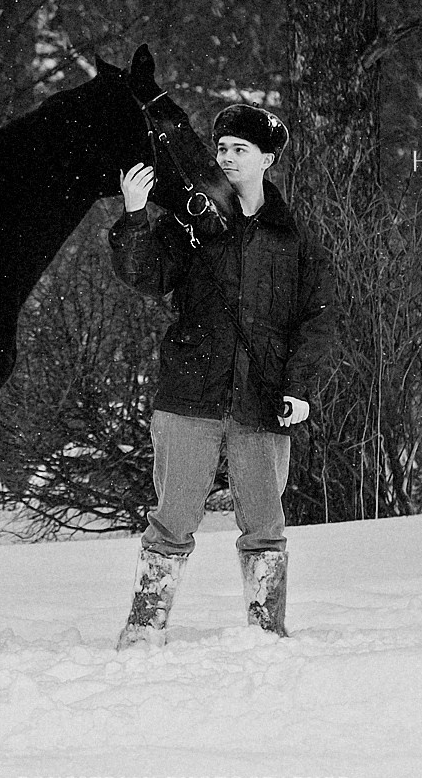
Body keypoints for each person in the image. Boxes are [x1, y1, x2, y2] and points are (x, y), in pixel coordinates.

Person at [108, 101, 339, 646]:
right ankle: (144, 628)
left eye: (240, 149)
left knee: (264, 521)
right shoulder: (193, 222)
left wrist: (299, 389)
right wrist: (135, 214)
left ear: (267, 159)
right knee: (172, 516)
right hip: (189, 393)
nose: (227, 158)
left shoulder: (295, 237)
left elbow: (318, 319)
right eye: (221, 148)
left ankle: (267, 631)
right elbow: (146, 277)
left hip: (262, 399)